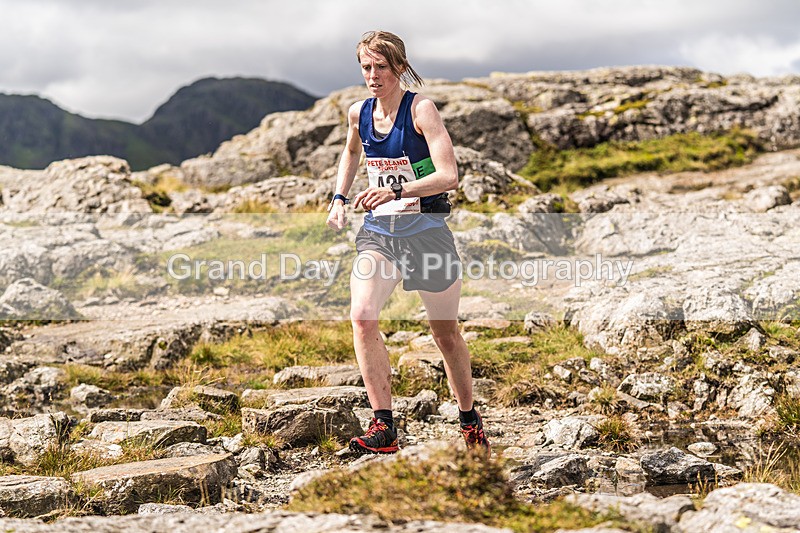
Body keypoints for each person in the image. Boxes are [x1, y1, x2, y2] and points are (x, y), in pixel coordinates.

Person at [326, 30, 490, 456]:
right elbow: (351, 153)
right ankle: (385, 427)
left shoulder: (421, 109)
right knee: (362, 316)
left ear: (399, 67)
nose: (373, 75)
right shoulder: (357, 112)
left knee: (446, 334)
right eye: (366, 67)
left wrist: (398, 192)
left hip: (427, 232)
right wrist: (339, 199)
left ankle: (469, 420)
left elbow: (449, 175)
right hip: (380, 232)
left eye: (381, 66)